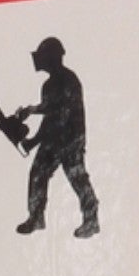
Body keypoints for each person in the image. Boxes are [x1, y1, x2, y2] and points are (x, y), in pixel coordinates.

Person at [13, 36, 100, 237]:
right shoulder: (48, 85)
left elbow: (60, 110)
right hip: (53, 140)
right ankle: (36, 217)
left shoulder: (69, 79)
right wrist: (33, 140)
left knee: (78, 179)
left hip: (71, 140)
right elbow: (50, 118)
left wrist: (33, 111)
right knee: (37, 174)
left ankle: (91, 221)